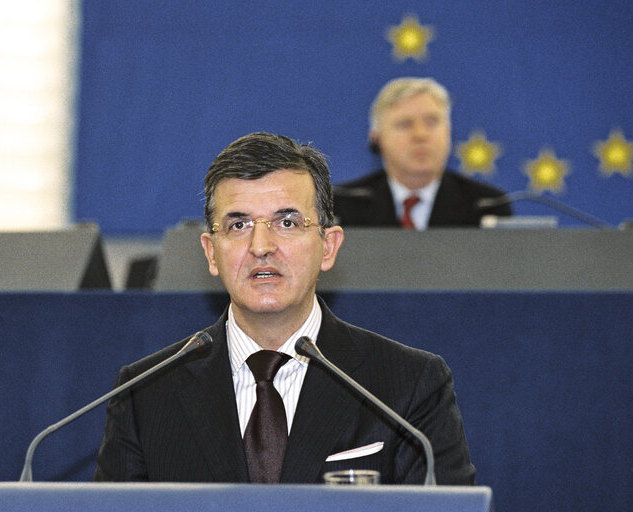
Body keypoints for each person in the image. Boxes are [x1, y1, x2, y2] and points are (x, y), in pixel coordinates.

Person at [94, 132, 476, 485]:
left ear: (328, 247)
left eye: (287, 222)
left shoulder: (409, 385)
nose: (261, 245)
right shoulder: (144, 394)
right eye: (239, 224)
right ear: (211, 252)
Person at [334, 77, 511, 229]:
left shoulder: (486, 205)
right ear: (377, 138)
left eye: (431, 122)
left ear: (448, 132)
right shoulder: (343, 204)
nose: (420, 134)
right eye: (405, 124)